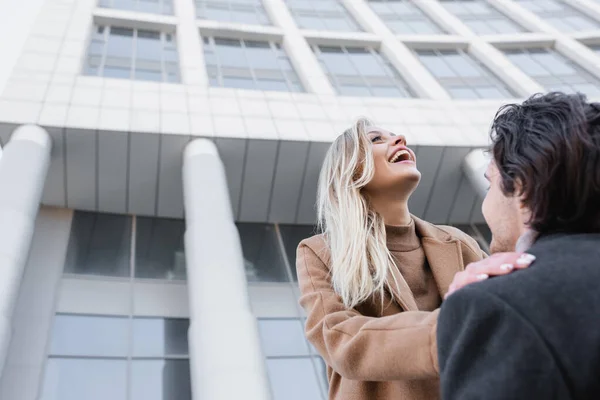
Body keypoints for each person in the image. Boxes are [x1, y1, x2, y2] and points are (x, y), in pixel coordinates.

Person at [295, 118, 533, 400]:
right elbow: (339, 339)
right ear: (350, 169)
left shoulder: (458, 242)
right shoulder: (319, 251)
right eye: (376, 139)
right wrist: (451, 330)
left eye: (396, 135)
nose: (400, 139)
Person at [438, 92, 600, 399]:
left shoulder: (499, 304)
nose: (485, 204)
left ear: (522, 185)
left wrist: (481, 307)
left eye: (489, 185)